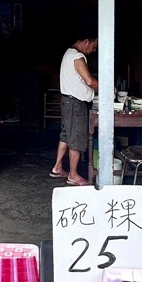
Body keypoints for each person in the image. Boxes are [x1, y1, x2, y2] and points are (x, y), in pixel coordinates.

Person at [50, 37, 98, 186]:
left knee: (66, 135)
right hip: (75, 104)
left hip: (67, 101)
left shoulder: (68, 53)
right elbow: (89, 80)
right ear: (86, 42)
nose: (94, 50)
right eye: (94, 46)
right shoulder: (78, 57)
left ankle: (57, 167)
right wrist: (108, 86)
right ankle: (73, 175)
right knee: (76, 138)